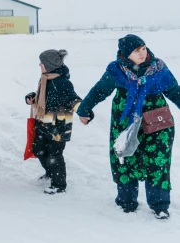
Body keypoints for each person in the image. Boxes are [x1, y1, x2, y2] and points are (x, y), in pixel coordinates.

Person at [76, 35, 180, 220]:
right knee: (124, 158)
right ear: (126, 54)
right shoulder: (116, 70)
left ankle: (160, 205)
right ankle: (126, 200)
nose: (142, 54)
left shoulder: (159, 68)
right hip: (126, 123)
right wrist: (85, 108)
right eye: (136, 51)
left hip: (157, 121)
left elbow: (174, 91)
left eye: (143, 48)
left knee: (159, 162)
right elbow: (100, 90)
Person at [24, 49, 81, 195]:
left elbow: (72, 99)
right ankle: (50, 172)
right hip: (43, 123)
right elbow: (42, 97)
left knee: (54, 155)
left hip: (58, 126)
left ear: (49, 65)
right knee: (38, 149)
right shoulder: (45, 78)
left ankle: (59, 184)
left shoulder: (62, 82)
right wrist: (32, 97)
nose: (39, 64)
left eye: (42, 63)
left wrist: (82, 109)